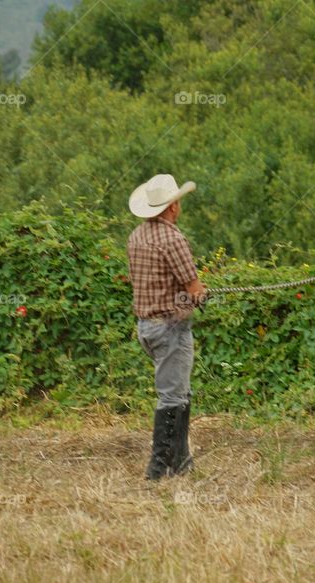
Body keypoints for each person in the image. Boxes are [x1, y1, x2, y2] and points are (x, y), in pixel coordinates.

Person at [127, 174, 207, 480]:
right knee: (172, 397)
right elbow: (194, 288)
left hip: (146, 327)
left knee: (178, 391)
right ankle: (158, 466)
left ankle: (182, 460)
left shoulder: (136, 236)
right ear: (172, 207)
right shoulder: (173, 239)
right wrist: (200, 295)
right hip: (170, 328)